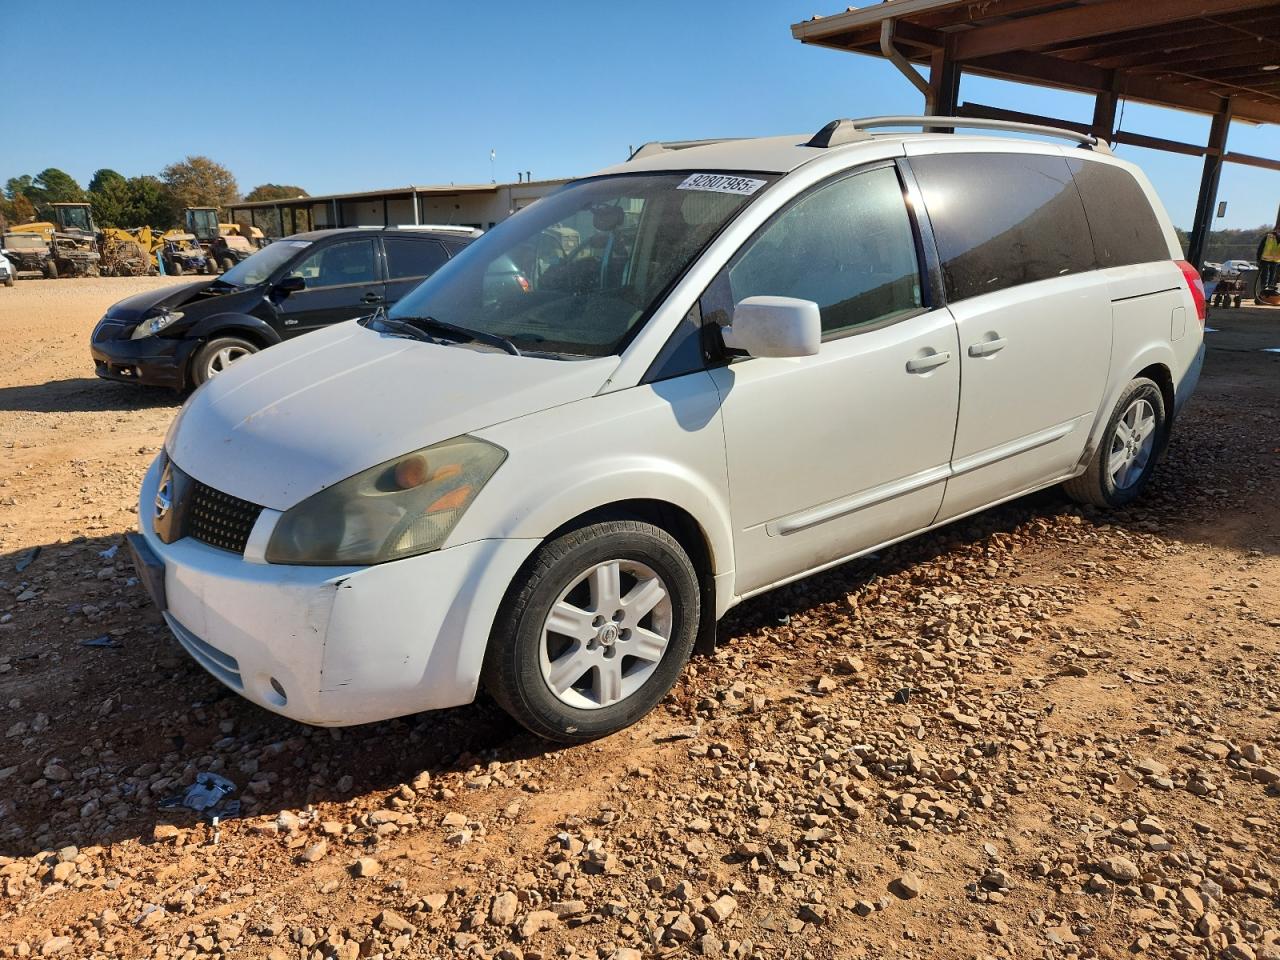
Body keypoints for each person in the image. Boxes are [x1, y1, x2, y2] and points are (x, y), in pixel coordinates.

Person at [1259, 218, 1280, 297]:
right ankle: (1264, 290)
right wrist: (1258, 259)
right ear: (1277, 229)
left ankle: (1269, 292)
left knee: (1272, 276)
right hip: (1265, 260)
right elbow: (1261, 248)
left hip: (1275, 261)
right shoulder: (1269, 237)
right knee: (1265, 275)